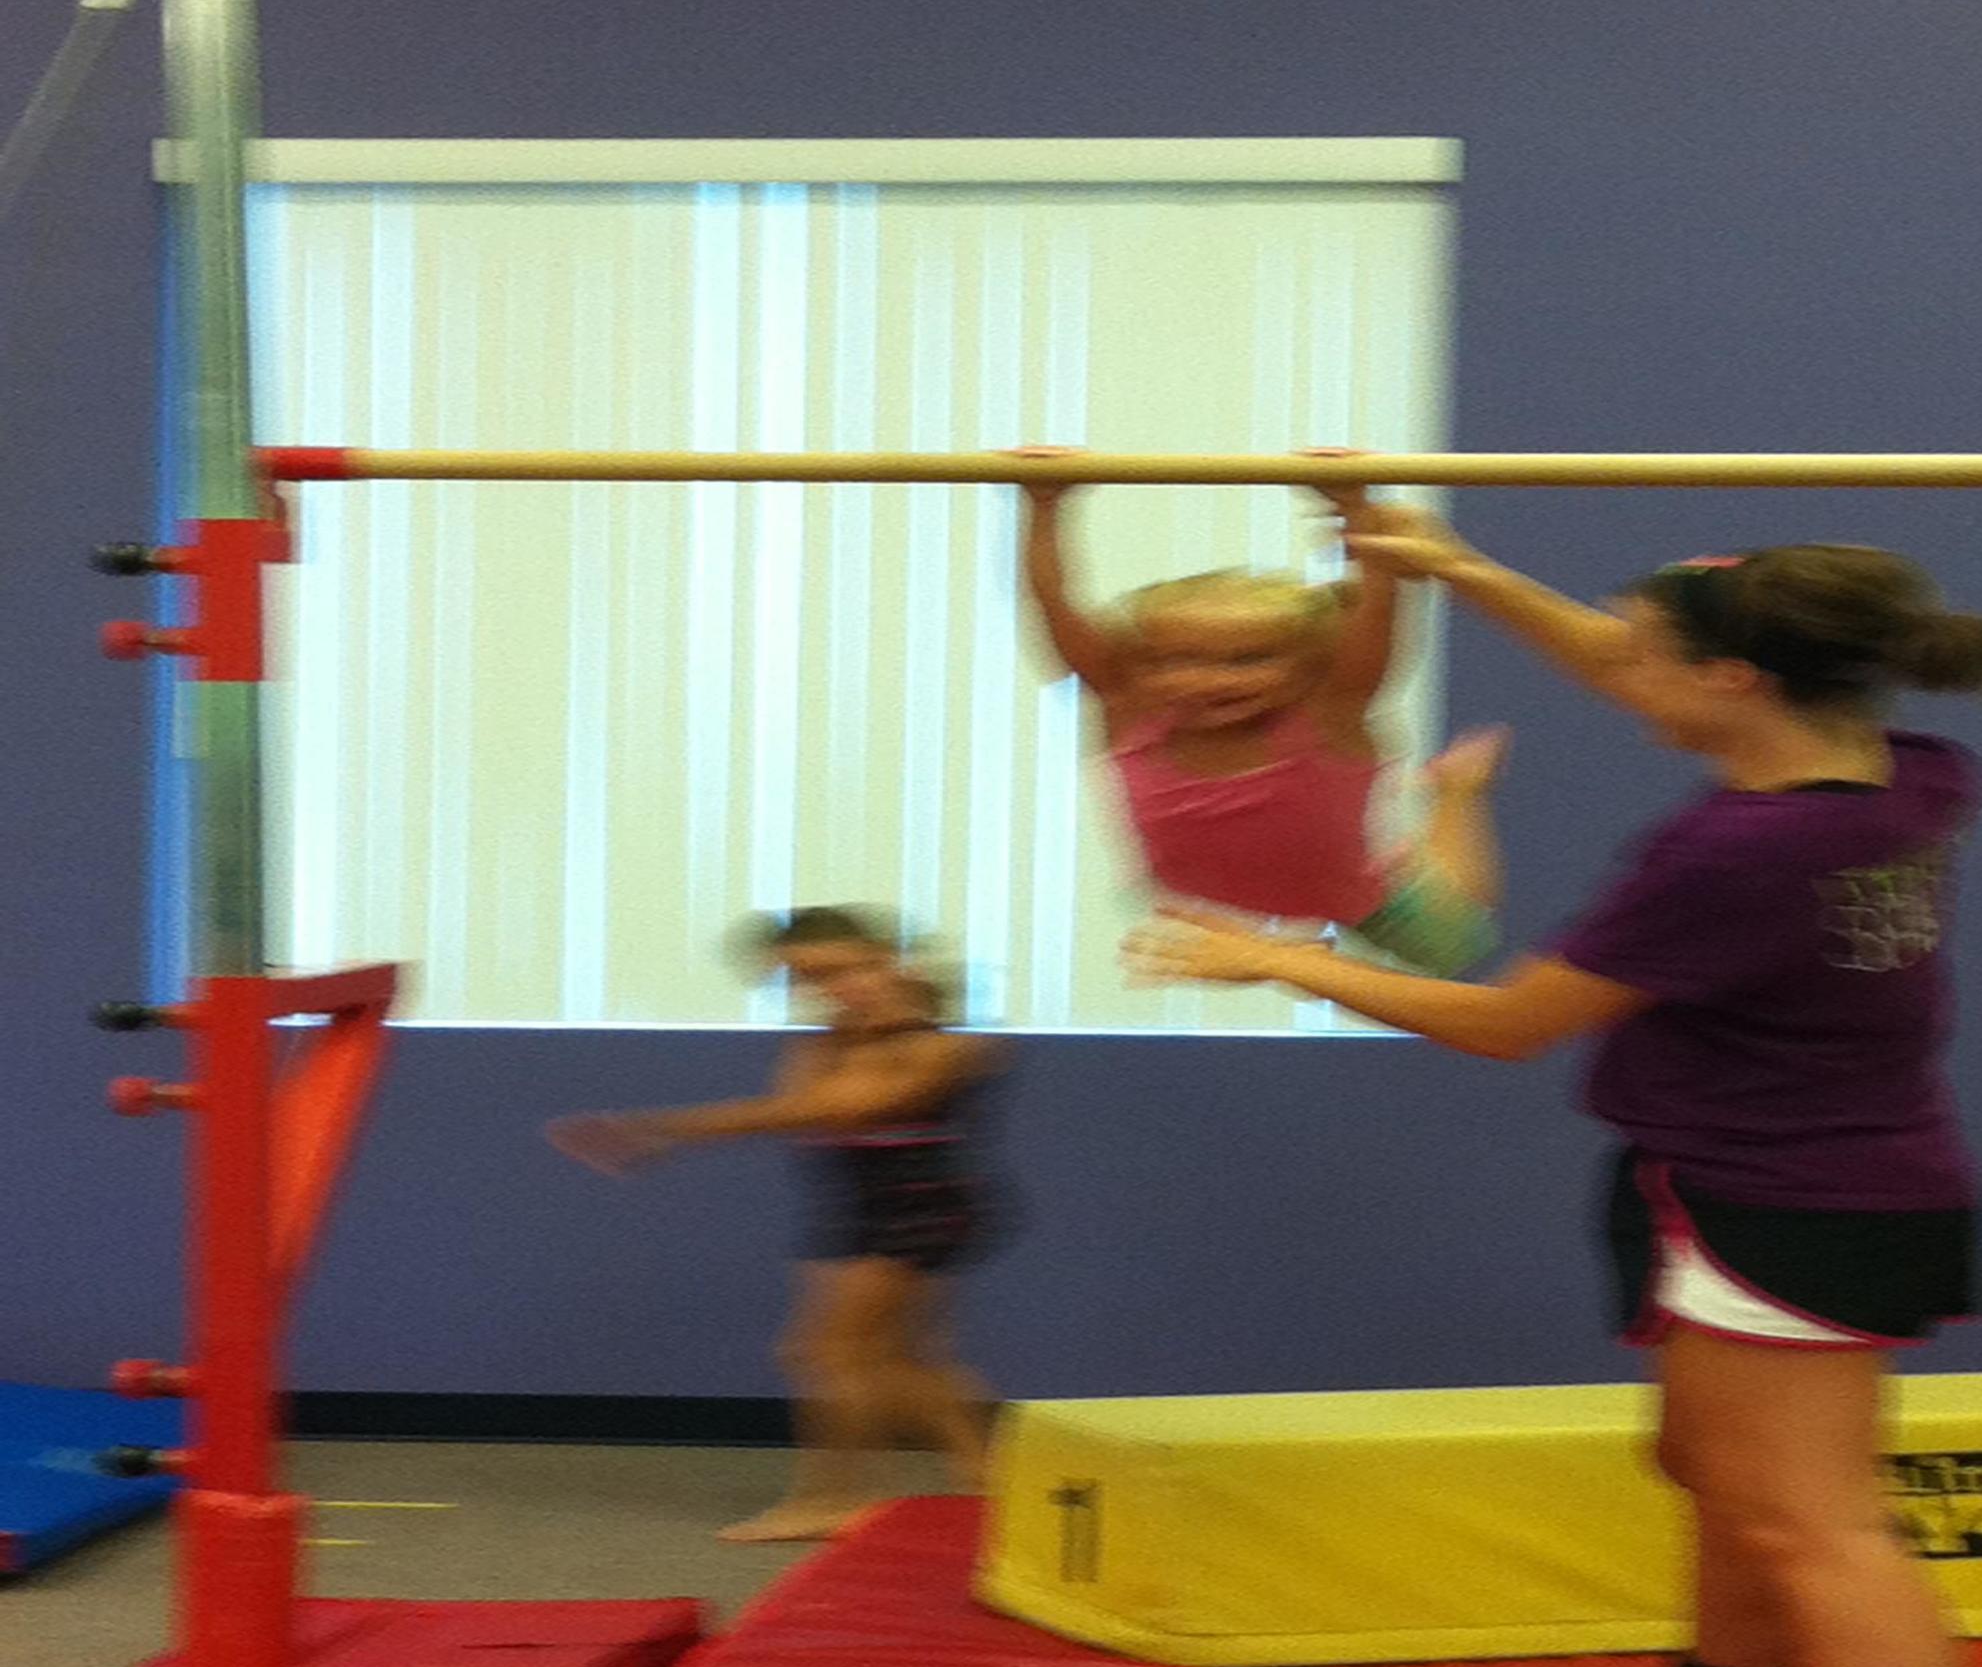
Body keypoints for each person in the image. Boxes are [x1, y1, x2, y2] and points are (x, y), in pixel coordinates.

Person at [1122, 510, 1982, 1667]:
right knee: (1713, 1470)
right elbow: (1632, 664)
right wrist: (1459, 568)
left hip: (1792, 1200)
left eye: (1640, 655)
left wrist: (1273, 955)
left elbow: (1507, 1024)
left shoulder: (1730, 854)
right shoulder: (1911, 771)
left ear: (1732, 679)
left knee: (1819, 1526)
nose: (1614, 671)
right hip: (1766, 1176)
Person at [548, 906, 1005, 1543]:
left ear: (888, 961)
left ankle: (829, 1499)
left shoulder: (947, 1046)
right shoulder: (828, 1042)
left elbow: (831, 1111)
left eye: (845, 970)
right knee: (906, 1358)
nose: (834, 989)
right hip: (862, 1207)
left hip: (919, 1211)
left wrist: (660, 1126)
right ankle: (986, 1479)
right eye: (808, 979)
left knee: (825, 1352)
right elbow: (797, 1106)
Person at [1019, 475, 1505, 975]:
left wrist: (1355, 507)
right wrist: (1043, 504)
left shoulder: (1329, 717)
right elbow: (1051, 601)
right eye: (1177, 661)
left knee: (1457, 947)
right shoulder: (1130, 713)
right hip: (1200, 902)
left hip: (1353, 898)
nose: (1209, 681)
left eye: (1248, 660)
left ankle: (1454, 793)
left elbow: (1378, 611)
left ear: (1310, 667)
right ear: (1137, 667)